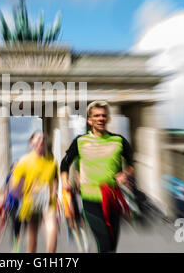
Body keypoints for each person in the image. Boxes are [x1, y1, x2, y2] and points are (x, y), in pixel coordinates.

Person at [60, 101, 133, 253]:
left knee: (111, 246)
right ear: (89, 120)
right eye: (96, 116)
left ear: (108, 119)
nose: (100, 118)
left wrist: (125, 173)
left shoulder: (119, 141)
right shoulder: (80, 141)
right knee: (104, 245)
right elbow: (65, 163)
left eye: (104, 116)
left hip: (112, 197)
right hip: (91, 198)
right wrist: (65, 181)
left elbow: (132, 163)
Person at [9, 131, 58, 253]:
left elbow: (55, 178)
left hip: (48, 200)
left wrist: (54, 192)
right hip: (31, 202)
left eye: (43, 138)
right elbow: (15, 190)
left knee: (53, 230)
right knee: (32, 239)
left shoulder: (52, 160)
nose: (41, 140)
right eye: (38, 138)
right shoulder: (23, 162)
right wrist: (28, 188)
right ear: (31, 142)